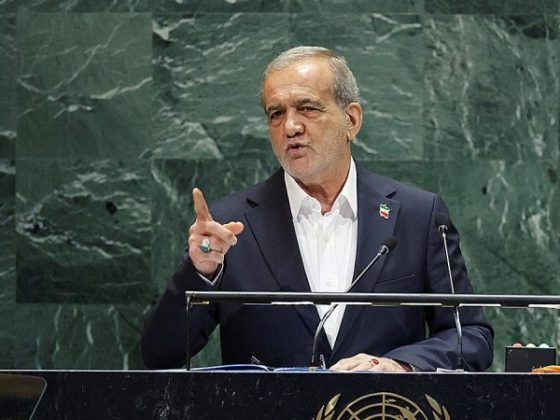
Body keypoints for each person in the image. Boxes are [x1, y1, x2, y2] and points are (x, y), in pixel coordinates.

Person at [141, 46, 494, 372]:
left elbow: (471, 335)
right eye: (276, 114)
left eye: (307, 108)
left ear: (351, 120)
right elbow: (160, 354)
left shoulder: (417, 215)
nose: (291, 127)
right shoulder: (229, 227)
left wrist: (399, 366)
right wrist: (201, 273)